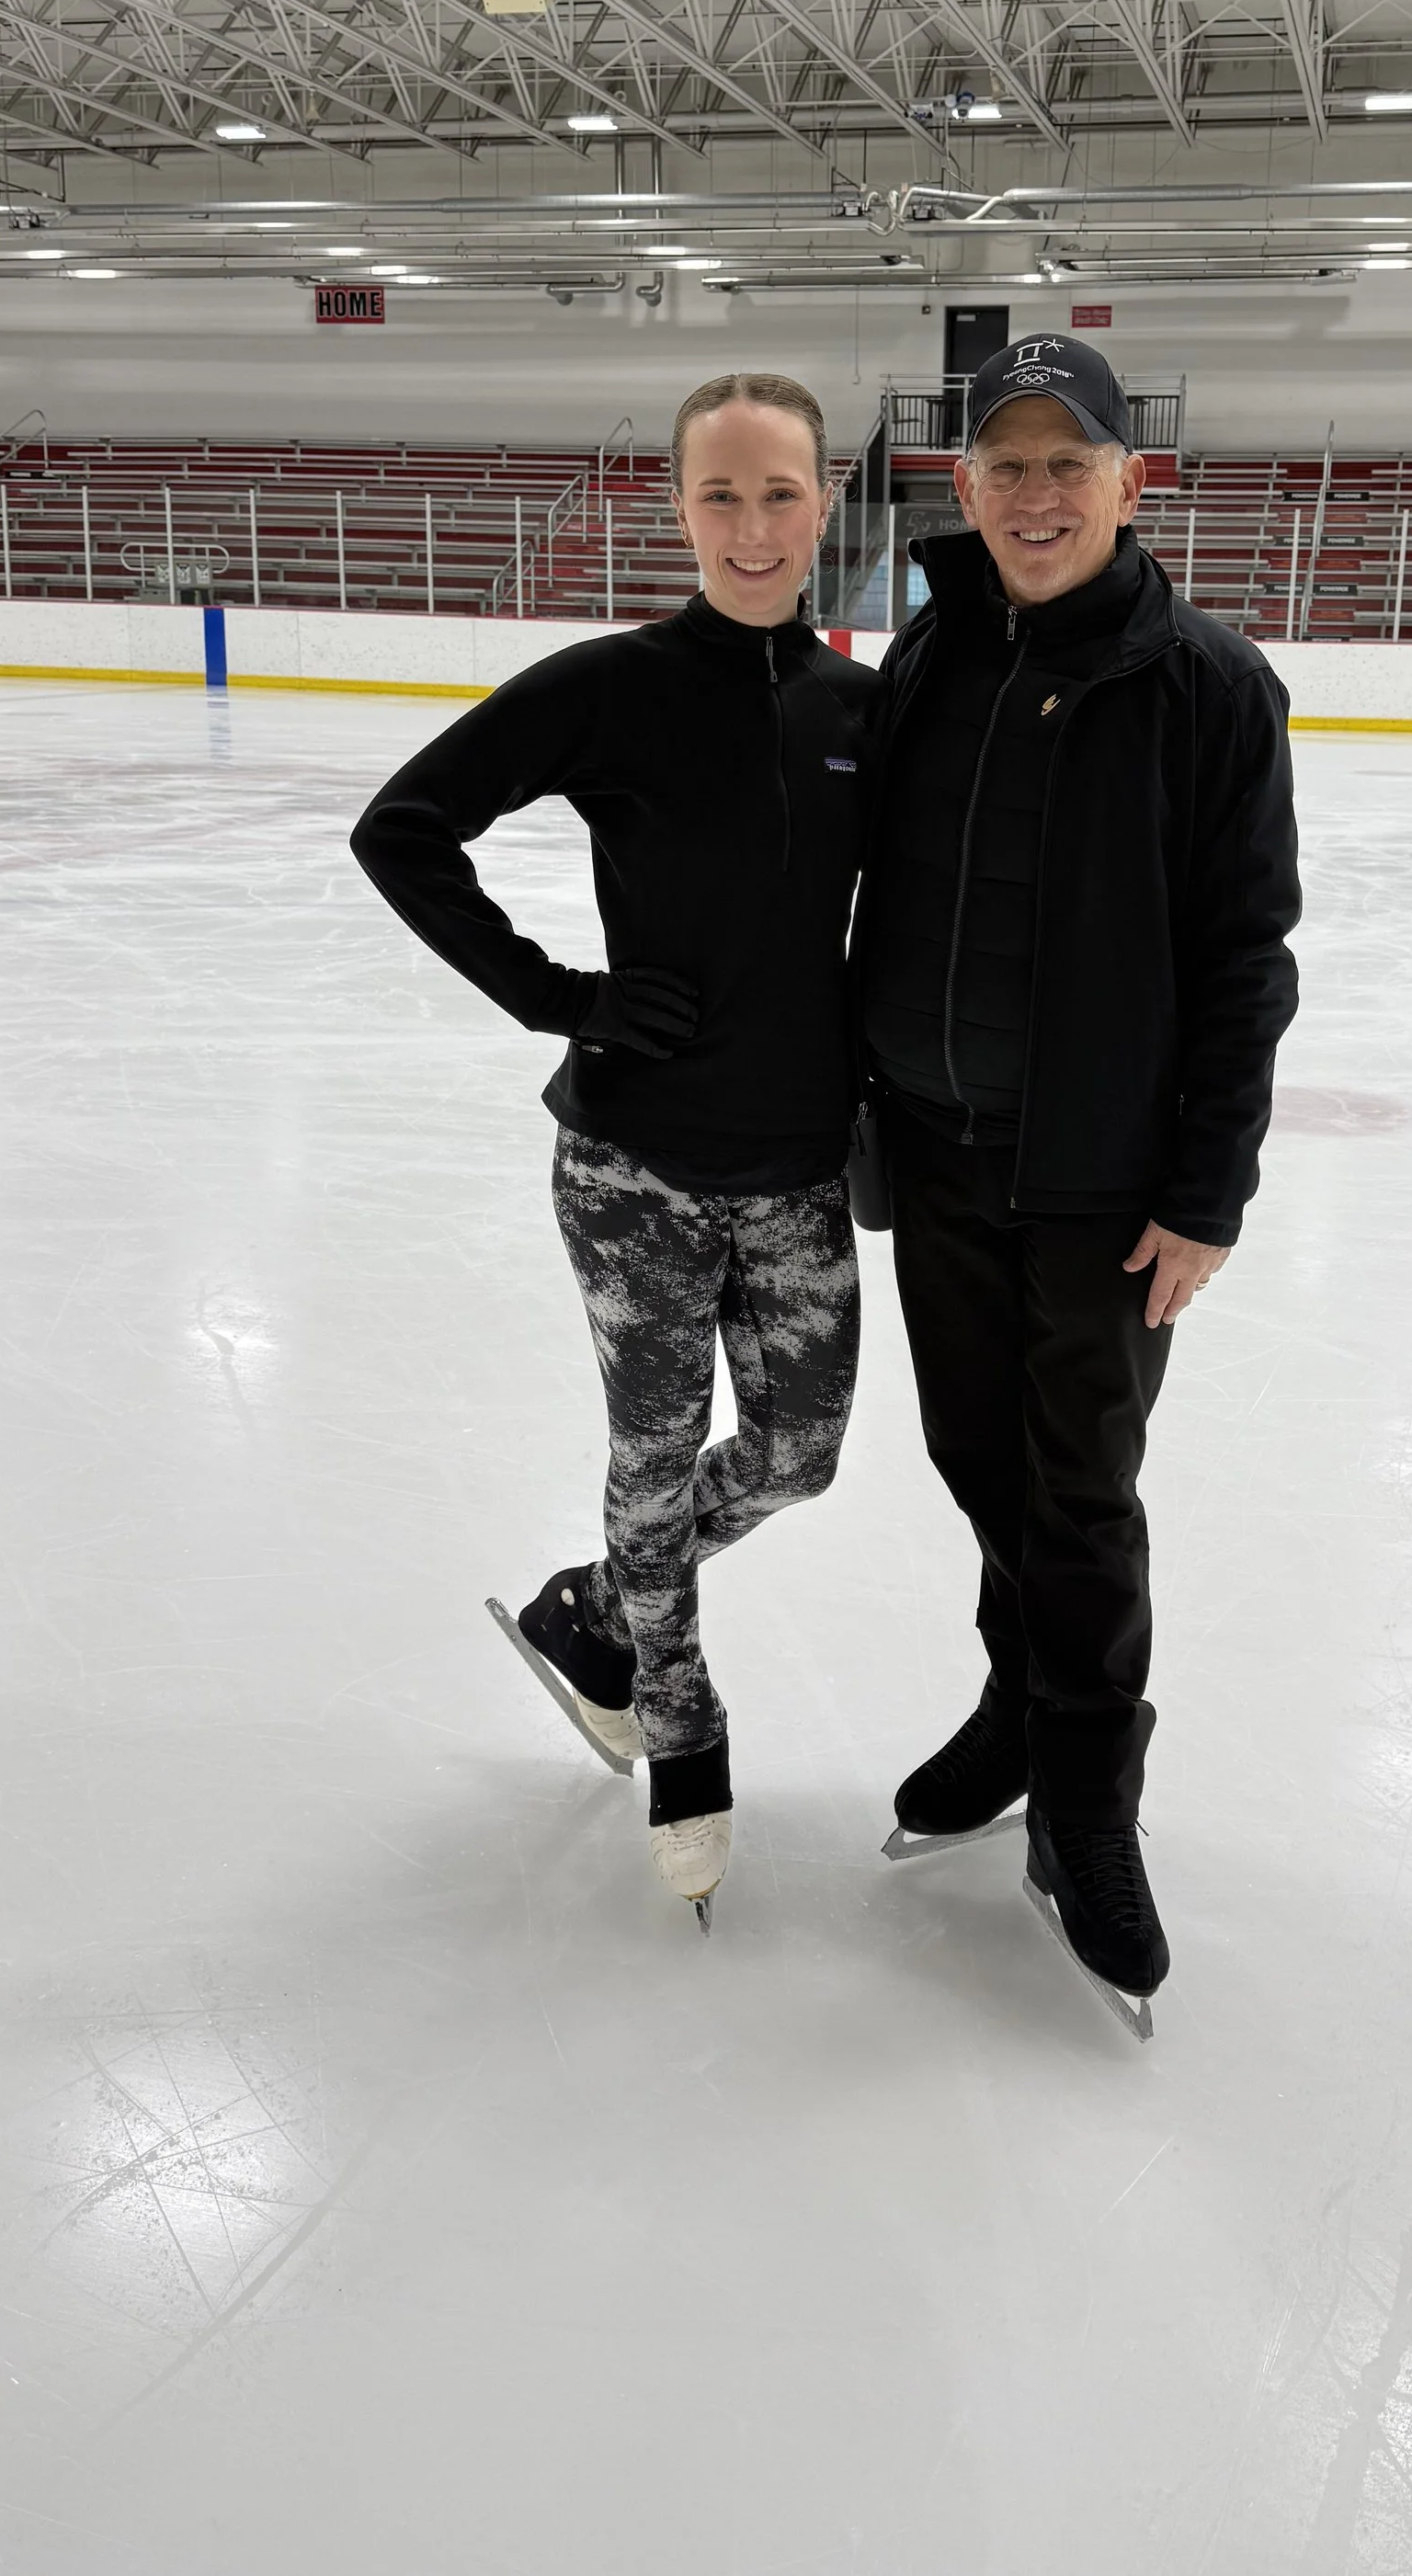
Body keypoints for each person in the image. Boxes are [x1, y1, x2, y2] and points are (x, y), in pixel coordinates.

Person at [349, 374, 878, 1925]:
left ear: (824, 501)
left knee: (800, 1455)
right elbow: (405, 828)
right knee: (651, 1456)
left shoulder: (865, 712)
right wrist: (554, 994)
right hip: (633, 1170)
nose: (753, 527)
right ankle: (681, 1719)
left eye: (779, 494)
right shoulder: (612, 684)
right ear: (677, 507)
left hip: (792, 1170)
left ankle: (597, 1605)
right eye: (721, 496)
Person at [857, 332, 1300, 2026]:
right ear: (961, 484)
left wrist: (1209, 1193)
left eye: (1071, 463)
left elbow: (1246, 955)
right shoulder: (933, 648)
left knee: (1082, 1498)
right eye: (1007, 464)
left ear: (1133, 479)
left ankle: (1091, 1802)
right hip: (940, 1158)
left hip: (1104, 1185)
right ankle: (1016, 1709)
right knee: (979, 1460)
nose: (1036, 495)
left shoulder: (1204, 684)